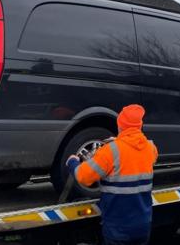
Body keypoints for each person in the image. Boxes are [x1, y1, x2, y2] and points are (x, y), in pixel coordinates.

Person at [66, 104, 158, 245]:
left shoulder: (110, 151)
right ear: (139, 125)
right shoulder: (150, 148)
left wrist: (72, 162)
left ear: (120, 125)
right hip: (143, 225)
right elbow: (135, 152)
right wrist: (121, 141)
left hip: (118, 227)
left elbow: (84, 177)